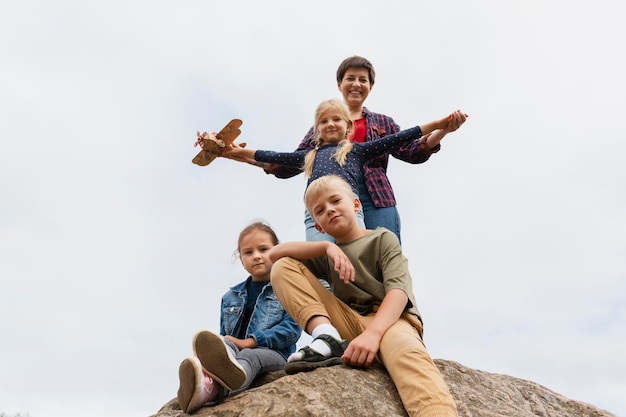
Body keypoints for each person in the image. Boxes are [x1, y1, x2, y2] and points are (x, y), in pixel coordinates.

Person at [267, 175, 458, 417]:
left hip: (389, 322)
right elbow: (276, 255)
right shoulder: (327, 255)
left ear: (356, 205)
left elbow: (398, 291)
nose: (330, 210)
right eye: (320, 211)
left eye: (336, 200)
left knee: (408, 354)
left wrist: (373, 335)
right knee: (283, 267)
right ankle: (327, 337)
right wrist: (327, 247)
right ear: (318, 227)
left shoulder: (381, 238)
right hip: (348, 325)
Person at [259, 55, 467, 244]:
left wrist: (443, 130)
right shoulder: (322, 126)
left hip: (375, 195)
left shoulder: (382, 122)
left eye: (363, 80)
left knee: (383, 254)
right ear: (340, 84)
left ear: (370, 86)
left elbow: (413, 151)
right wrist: (250, 158)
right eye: (350, 78)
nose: (356, 84)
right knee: (333, 261)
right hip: (331, 195)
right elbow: (293, 162)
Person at [223, 98, 465, 242]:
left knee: (355, 256)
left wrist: (440, 125)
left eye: (336, 120)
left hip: (350, 208)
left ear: (347, 126)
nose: (330, 124)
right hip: (316, 214)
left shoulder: (357, 150)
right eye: (324, 121)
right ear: (316, 129)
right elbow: (273, 157)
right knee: (321, 259)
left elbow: (402, 137)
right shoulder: (309, 155)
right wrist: (238, 154)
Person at [176, 221, 301, 413]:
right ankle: (201, 380)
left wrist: (251, 342)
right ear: (241, 260)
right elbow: (221, 345)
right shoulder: (230, 296)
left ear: (278, 252)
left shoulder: (286, 287)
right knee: (224, 343)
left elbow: (291, 330)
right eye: (248, 252)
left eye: (263, 249)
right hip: (235, 353)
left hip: (275, 354)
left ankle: (215, 390)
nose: (257, 256)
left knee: (249, 355)